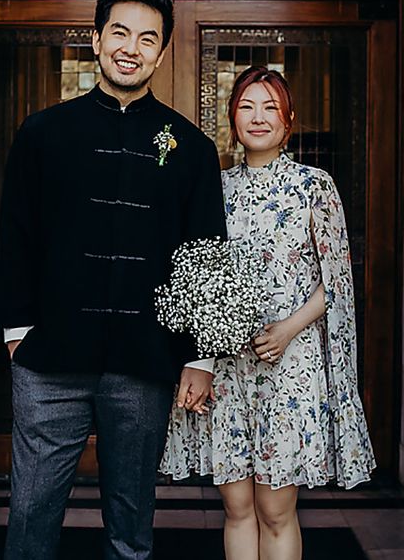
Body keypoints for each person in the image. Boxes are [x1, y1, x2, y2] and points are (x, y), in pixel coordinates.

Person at [0, 0, 226, 559]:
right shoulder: (43, 133)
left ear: (162, 52)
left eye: (147, 38)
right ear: (96, 40)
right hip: (48, 360)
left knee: (131, 524)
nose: (131, 47)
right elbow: (15, 236)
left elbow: (205, 256)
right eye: (119, 32)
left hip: (143, 361)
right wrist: (18, 333)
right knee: (30, 513)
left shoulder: (190, 147)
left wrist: (199, 356)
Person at [161, 66, 376, 559]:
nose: (258, 118)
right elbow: (199, 275)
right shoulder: (213, 186)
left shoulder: (313, 187)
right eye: (246, 107)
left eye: (270, 108)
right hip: (229, 371)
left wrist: (288, 328)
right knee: (236, 508)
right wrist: (201, 361)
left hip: (289, 368)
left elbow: (337, 280)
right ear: (232, 116)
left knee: (276, 510)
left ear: (288, 120)